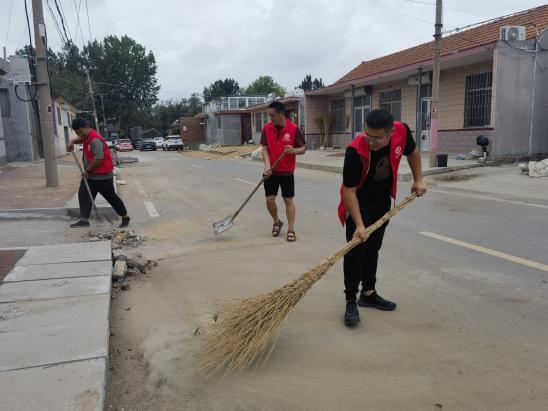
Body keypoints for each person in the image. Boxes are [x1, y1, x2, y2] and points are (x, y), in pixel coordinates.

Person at [337, 109, 427, 326]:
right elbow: (348, 191)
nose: (370, 141)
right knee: (355, 252)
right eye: (367, 135)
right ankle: (351, 299)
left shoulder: (402, 132)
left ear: (390, 133)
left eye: (376, 138)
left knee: (373, 248)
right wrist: (359, 224)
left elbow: (412, 152)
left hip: (382, 202)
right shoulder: (355, 152)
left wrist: (418, 179)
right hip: (358, 204)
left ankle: (368, 293)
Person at [67, 118, 130, 228]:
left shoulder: (95, 140)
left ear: (87, 127)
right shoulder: (86, 137)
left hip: (103, 176)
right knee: (84, 195)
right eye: (77, 133)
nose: (80, 134)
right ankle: (84, 220)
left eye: (81, 132)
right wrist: (71, 141)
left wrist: (87, 170)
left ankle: (125, 217)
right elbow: (80, 139)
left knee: (111, 197)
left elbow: (98, 159)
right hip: (91, 176)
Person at [261, 101, 306, 242]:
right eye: (269, 115)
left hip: (286, 171)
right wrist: (267, 165)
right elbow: (264, 148)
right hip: (271, 171)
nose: (270, 118)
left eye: (272, 115)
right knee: (269, 199)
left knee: (288, 199)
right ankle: (277, 222)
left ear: (281, 114)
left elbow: (303, 148)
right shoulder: (267, 128)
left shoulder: (293, 129)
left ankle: (291, 229)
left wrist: (293, 150)